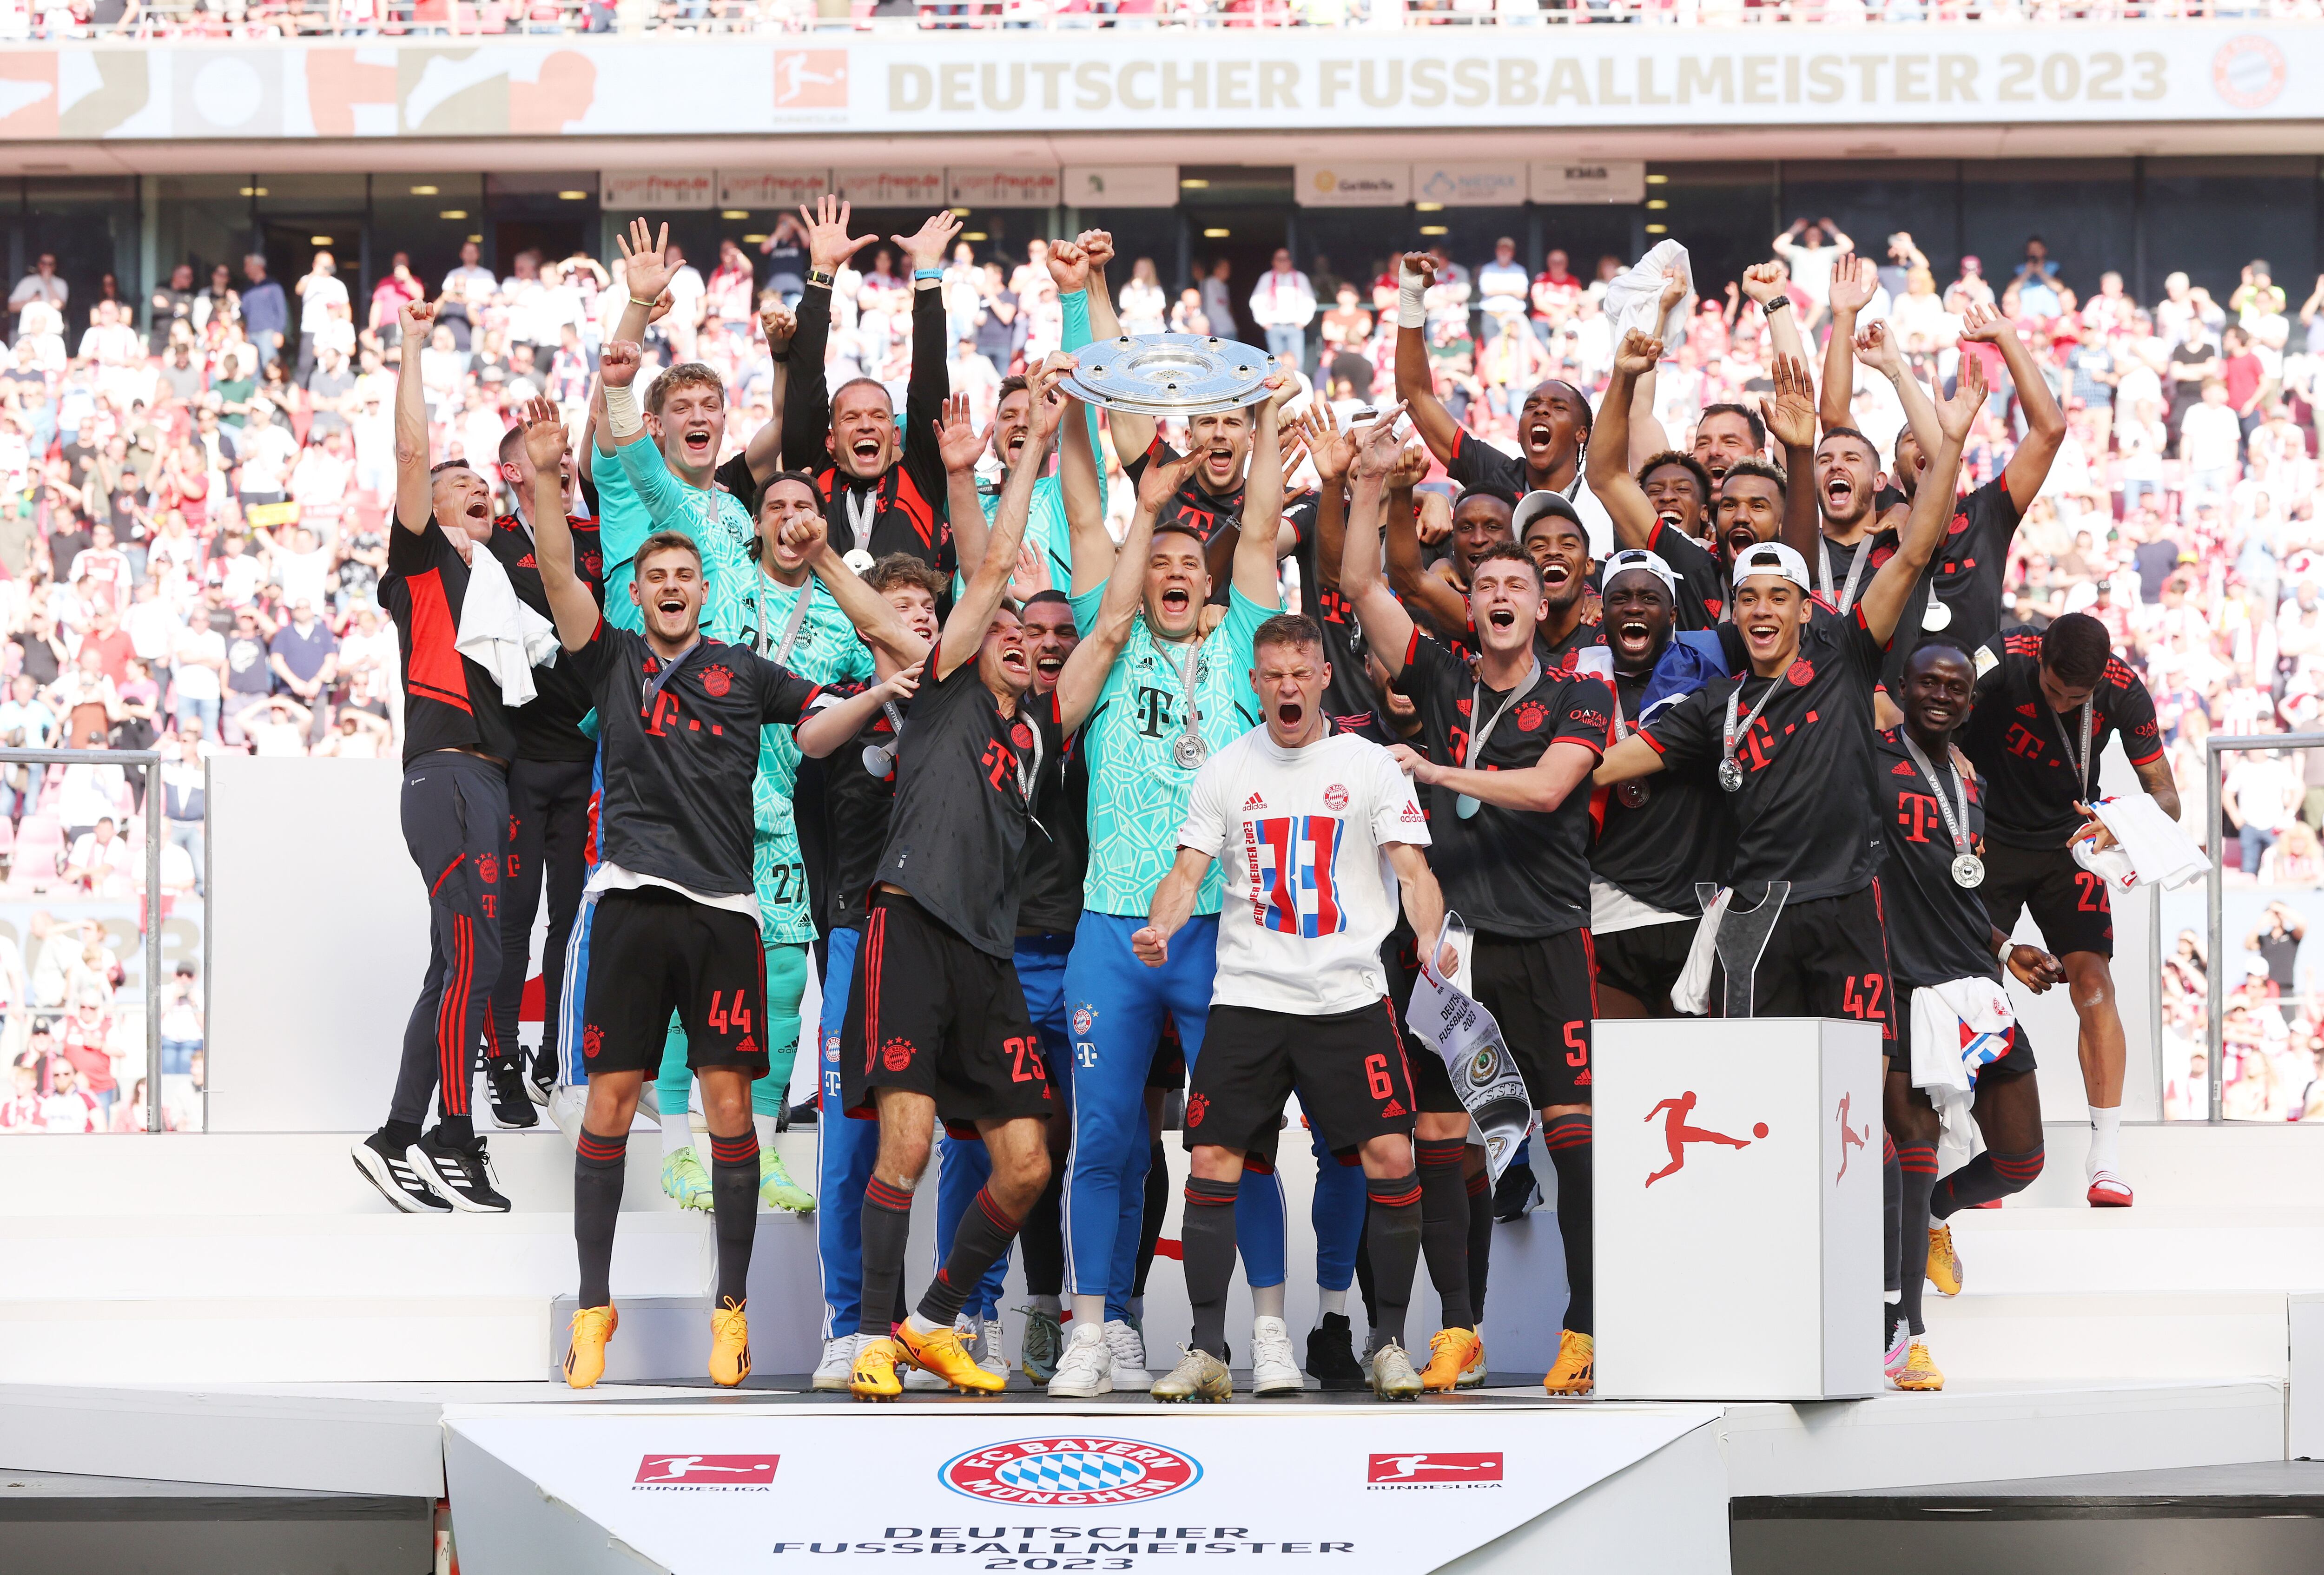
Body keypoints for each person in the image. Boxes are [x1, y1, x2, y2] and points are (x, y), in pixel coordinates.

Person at [515, 401, 907, 1391]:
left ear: (704, 587)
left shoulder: (746, 669)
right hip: (633, 904)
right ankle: (592, 1305)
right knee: (612, 1099)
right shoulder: (609, 656)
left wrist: (873, 696)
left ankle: (729, 1311)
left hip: (728, 910)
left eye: (687, 574)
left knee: (733, 1107)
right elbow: (560, 572)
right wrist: (550, 480)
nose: (673, 587)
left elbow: (817, 737)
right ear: (639, 590)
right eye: (656, 576)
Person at [807, 363, 1073, 1402]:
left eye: (1023, 635)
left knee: (1025, 1162)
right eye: (997, 624)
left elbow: (1065, 618)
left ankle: (931, 1319)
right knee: (906, 1140)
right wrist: (1014, 459)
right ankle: (871, 1332)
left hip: (991, 954)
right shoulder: (946, 684)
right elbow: (993, 557)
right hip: (909, 924)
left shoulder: (1040, 728)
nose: (1012, 636)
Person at [1343, 411, 1618, 1397]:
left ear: (1548, 606)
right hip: (1445, 949)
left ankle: (1582, 1328)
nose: (1503, 595)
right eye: (1488, 584)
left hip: (1544, 940)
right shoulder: (1441, 671)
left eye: (1522, 586)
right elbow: (1362, 584)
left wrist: (1434, 765)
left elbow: (1547, 790)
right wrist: (1373, 484)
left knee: (1569, 1135)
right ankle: (1457, 1327)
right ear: (1470, 603)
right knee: (1438, 1137)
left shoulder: (1584, 694)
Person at [1593, 353, 1983, 1048]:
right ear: (1733, 614)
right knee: (1758, 1085)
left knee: (1860, 1089)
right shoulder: (1717, 704)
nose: (1763, 610)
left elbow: (1918, 547)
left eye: (1780, 598)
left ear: (1807, 611)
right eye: (1749, 599)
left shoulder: (1846, 655)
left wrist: (1950, 443)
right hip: (1754, 912)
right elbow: (1603, 766)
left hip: (1847, 902)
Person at [1042, 379, 1297, 1400]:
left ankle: (1267, 1329)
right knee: (1104, 1137)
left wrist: (1269, 415)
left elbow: (1265, 520)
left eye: (1195, 562)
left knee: (1239, 1138)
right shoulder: (1108, 645)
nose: (1177, 571)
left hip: (1221, 929)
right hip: (1113, 921)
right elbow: (1080, 510)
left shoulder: (1241, 642)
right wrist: (1136, 496)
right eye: (1161, 564)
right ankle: (1095, 1330)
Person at [1133, 612, 1451, 1404]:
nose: (1286, 686)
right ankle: (1209, 1347)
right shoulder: (1227, 768)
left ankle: (1386, 1341)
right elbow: (1186, 869)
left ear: (1321, 678)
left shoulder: (1370, 765)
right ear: (1256, 682)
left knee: (1391, 1157)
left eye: (1299, 673)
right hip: (1251, 995)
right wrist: (1161, 923)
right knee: (1210, 1159)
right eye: (1272, 674)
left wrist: (1433, 943)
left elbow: (1412, 870)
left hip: (1348, 995)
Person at [348, 295, 524, 1217]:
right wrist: (413, 346)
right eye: (468, 488)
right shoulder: (425, 561)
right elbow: (412, 451)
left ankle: (397, 1133)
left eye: (485, 489)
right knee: (474, 961)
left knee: (457, 967)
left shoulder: (500, 587)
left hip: (484, 783)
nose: (478, 493)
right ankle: (451, 1137)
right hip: (447, 775)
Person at [1876, 641, 2059, 1393]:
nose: (1943, 695)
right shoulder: (1869, 762)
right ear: (1906, 689)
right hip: (1900, 983)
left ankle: (1940, 1217)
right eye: (1930, 683)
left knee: (2023, 1159)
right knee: (1915, 1149)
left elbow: (1958, 886)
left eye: (1956, 687)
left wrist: (2008, 945)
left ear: (1969, 702)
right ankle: (1906, 1337)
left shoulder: (1968, 779)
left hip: (1975, 979)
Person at [1959, 613, 2178, 1207]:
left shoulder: (2124, 690)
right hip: (1988, 842)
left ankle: (2104, 1158)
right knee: (1969, 991)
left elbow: (2168, 799)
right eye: (2052, 689)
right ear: (2040, 662)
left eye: (2073, 697)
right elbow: (1931, 712)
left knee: (2093, 987)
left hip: (2067, 847)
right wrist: (1949, 754)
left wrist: (2116, 820)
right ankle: (1975, 1154)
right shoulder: (2001, 655)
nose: (2059, 703)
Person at [482, 415, 604, 1120]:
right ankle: (500, 1056)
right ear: (513, 474)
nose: (561, 467)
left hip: (587, 760)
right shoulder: (488, 543)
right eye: (544, 459)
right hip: (519, 760)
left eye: (565, 459)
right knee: (513, 920)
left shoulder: (591, 541)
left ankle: (558, 1059)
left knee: (574, 919)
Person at [779, 197, 961, 573]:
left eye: (878, 415)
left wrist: (927, 272)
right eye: (851, 418)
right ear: (830, 440)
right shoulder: (811, 480)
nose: (865, 424)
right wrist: (822, 273)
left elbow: (928, 380)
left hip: (910, 632)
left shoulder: (922, 478)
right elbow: (805, 382)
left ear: (896, 435)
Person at [1395, 252, 1614, 556]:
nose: (1540, 410)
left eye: (1558, 407)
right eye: (1531, 406)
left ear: (1582, 433)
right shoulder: (1495, 475)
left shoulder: (1606, 495)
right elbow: (1416, 397)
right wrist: (1411, 300)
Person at [1248, 248, 1317, 370]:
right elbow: (1256, 301)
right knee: (1276, 365)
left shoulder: (1300, 278)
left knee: (1297, 365)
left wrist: (1303, 322)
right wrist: (1264, 323)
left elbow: (1310, 301)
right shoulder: (1267, 278)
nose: (1283, 262)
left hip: (1294, 328)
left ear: (1291, 262)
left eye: (1286, 259)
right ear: (1274, 262)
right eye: (1280, 260)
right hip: (1274, 327)